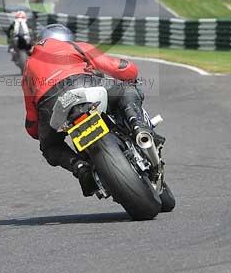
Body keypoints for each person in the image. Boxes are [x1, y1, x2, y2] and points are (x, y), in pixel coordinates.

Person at [21, 24, 150, 196]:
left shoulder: (27, 69)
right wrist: (132, 75)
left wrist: (43, 132)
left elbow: (32, 122)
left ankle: (79, 166)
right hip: (83, 85)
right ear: (66, 38)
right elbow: (118, 67)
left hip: (50, 105)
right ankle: (139, 127)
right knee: (127, 90)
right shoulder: (75, 46)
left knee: (50, 147)